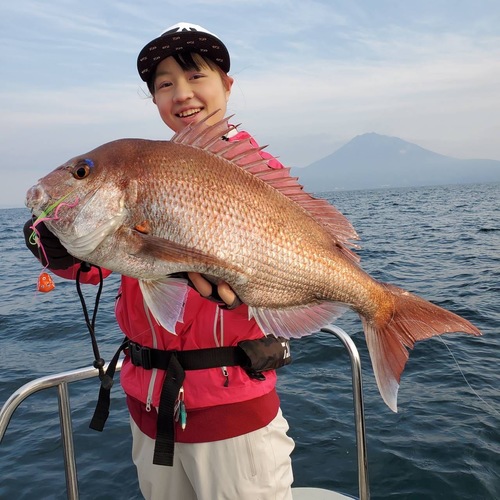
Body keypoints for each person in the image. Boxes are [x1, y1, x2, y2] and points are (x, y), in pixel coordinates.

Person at [24, 22, 295, 500]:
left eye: (196, 77)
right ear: (153, 99)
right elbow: (100, 264)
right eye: (165, 84)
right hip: (149, 411)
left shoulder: (258, 173)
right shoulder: (145, 170)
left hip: (233, 412)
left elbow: (280, 258)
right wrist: (55, 243)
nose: (182, 93)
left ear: (227, 85)